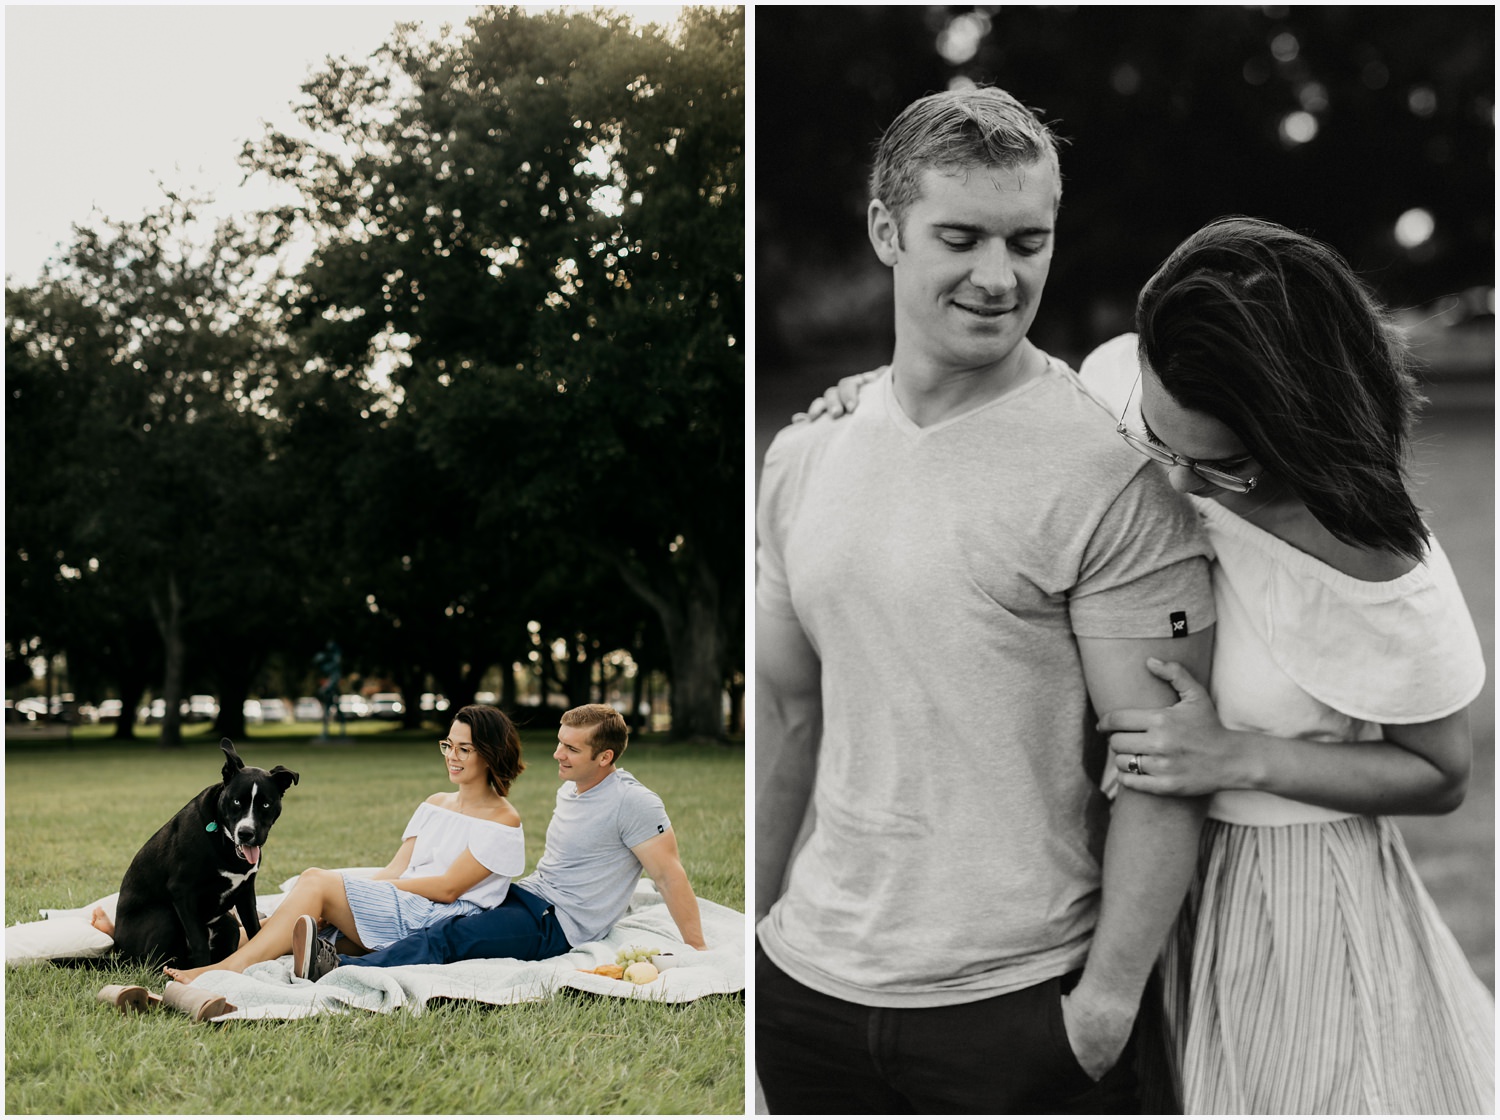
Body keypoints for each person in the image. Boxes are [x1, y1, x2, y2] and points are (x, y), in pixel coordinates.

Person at [802, 216, 1495, 1114]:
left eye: (1222, 467)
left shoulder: (1378, 567)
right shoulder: (1119, 384)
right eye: (1157, 444)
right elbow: (1023, 409)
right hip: (1122, 871)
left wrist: (1238, 757)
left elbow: (1442, 773)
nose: (1173, 487)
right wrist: (885, 401)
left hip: (1284, 898)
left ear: (1304, 433)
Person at [755, 84, 1217, 1114]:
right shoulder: (801, 455)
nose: (999, 277)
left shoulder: (1110, 473)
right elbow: (789, 713)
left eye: (1029, 240)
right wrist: (755, 939)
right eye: (960, 237)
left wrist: (1100, 1011)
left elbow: (1166, 766)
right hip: (807, 999)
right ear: (887, 230)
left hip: (1019, 1011)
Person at [291, 702, 706, 980]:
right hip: (530, 895)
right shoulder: (573, 788)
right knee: (438, 914)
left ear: (605, 758)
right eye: (559, 742)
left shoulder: (634, 803)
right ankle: (321, 938)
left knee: (449, 938)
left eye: (571, 749)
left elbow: (669, 875)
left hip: (558, 924)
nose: (558, 754)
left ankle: (337, 969)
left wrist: (698, 948)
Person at [160, 704, 526, 984]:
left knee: (317, 882)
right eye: (449, 745)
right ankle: (141, 939)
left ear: (490, 753)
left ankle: (223, 971)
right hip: (403, 902)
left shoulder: (502, 819)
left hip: (438, 917)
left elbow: (447, 890)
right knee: (284, 924)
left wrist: (351, 891)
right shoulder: (435, 803)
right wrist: (357, 895)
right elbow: (396, 870)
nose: (452, 756)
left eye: (465, 749)